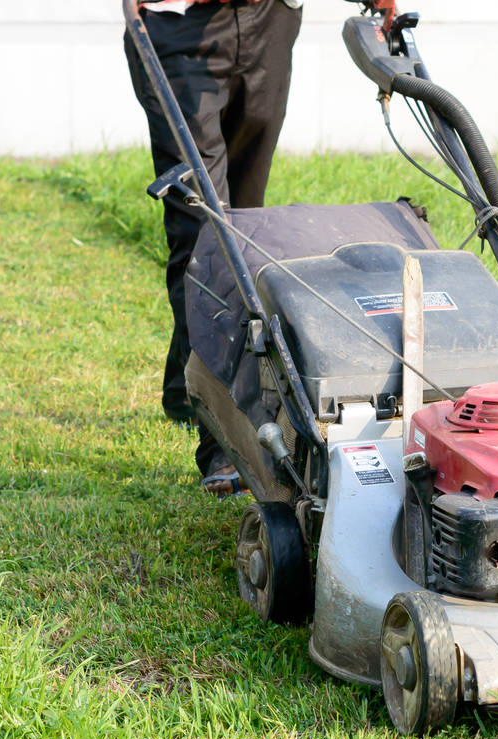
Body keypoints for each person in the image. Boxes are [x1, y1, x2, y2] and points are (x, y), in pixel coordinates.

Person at [124, 0, 304, 494]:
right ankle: (223, 443)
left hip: (271, 17)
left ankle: (185, 387)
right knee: (207, 233)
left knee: (244, 223)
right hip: (181, 22)